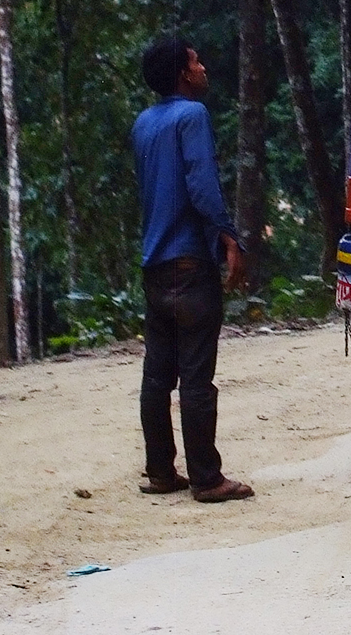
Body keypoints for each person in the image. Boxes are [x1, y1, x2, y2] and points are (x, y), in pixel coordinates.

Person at [131, 36, 253, 503]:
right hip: (189, 263)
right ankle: (207, 477)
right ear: (185, 73)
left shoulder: (144, 123)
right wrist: (228, 236)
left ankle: (161, 470)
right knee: (197, 376)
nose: (204, 68)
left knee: (157, 376)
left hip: (154, 264)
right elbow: (201, 184)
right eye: (197, 61)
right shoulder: (192, 116)